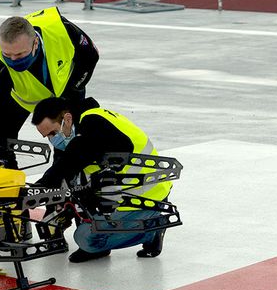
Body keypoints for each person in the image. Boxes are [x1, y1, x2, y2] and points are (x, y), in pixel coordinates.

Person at [30, 96, 173, 263]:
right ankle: (115, 234)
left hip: (146, 198)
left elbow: (72, 160)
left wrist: (35, 190)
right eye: (47, 136)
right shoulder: (85, 125)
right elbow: (67, 170)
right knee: (78, 187)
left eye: (53, 133)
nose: (52, 139)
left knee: (85, 238)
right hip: (128, 196)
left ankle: (152, 232)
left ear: (67, 119)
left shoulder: (93, 124)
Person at [0, 6, 98, 167]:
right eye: (7, 55)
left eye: (20, 54)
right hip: (22, 98)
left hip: (66, 90)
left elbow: (91, 54)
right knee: (2, 144)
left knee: (68, 142)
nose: (13, 60)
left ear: (35, 42)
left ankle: (64, 177)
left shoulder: (61, 30)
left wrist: (74, 87)